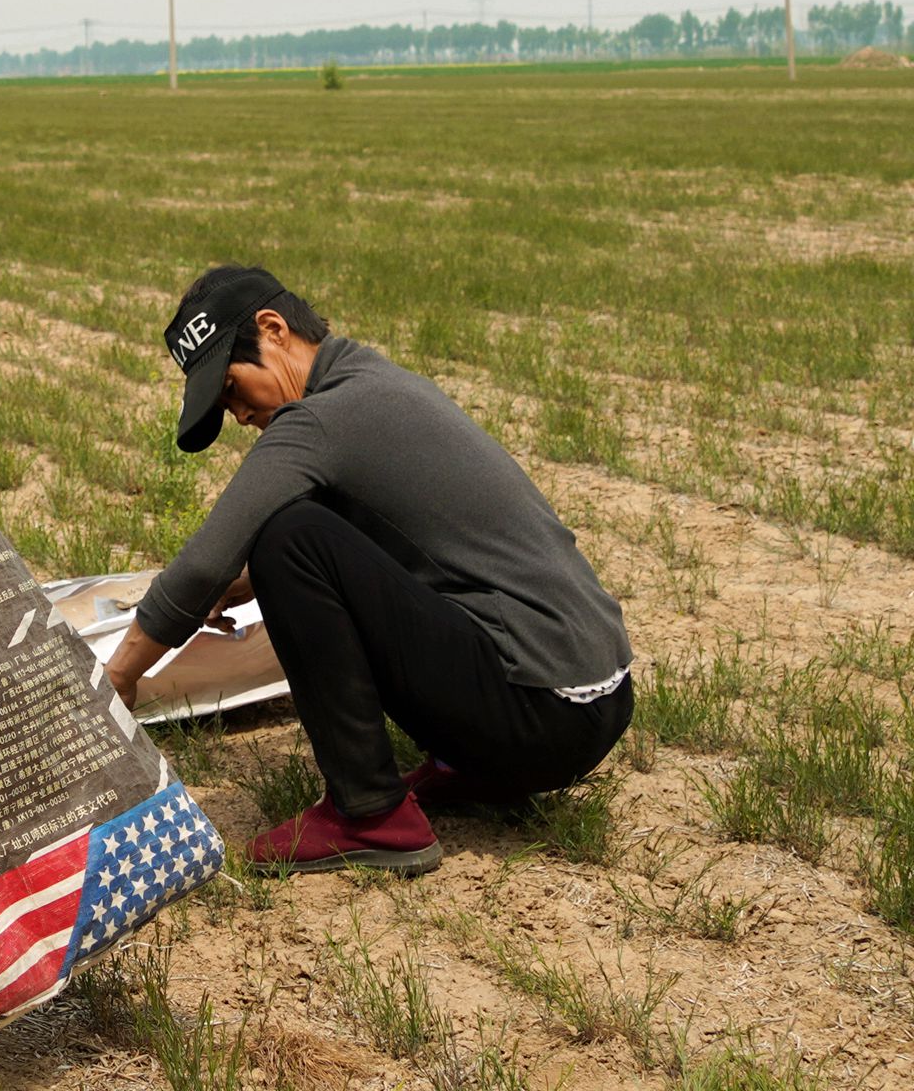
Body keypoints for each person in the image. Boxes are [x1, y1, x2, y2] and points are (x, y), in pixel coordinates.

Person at [109, 265, 633, 876]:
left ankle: (370, 813)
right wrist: (245, 584)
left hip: (543, 719)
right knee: (295, 537)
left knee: (287, 536)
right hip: (594, 706)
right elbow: (399, 542)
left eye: (230, 388)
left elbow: (202, 563)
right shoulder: (375, 382)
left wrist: (119, 678)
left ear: (274, 330)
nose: (237, 415)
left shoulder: (322, 417)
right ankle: (465, 767)